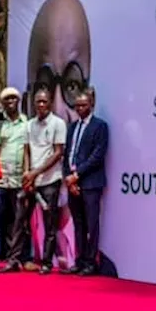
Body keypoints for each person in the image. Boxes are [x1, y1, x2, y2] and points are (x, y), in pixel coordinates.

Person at [63, 88, 117, 277]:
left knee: (92, 224)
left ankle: (90, 262)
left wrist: (77, 176)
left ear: (91, 105)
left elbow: (97, 156)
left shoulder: (100, 126)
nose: (79, 109)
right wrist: (69, 179)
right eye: (77, 106)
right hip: (72, 184)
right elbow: (67, 154)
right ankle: (79, 260)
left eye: (83, 105)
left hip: (91, 183)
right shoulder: (72, 127)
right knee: (78, 224)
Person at [16, 88, 65, 274]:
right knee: (22, 220)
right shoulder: (29, 125)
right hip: (32, 180)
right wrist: (28, 173)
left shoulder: (58, 124)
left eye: (44, 102)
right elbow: (27, 150)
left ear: (50, 103)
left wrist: (35, 172)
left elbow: (58, 153)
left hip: (50, 180)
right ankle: (20, 258)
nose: (41, 105)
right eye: (38, 102)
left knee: (50, 224)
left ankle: (46, 262)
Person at [0, 86, 30, 269]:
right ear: (3, 103)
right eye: (7, 99)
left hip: (19, 177)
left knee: (20, 219)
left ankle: (21, 257)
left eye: (14, 98)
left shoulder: (26, 123)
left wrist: (28, 174)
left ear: (19, 101)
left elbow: (28, 150)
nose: (11, 102)